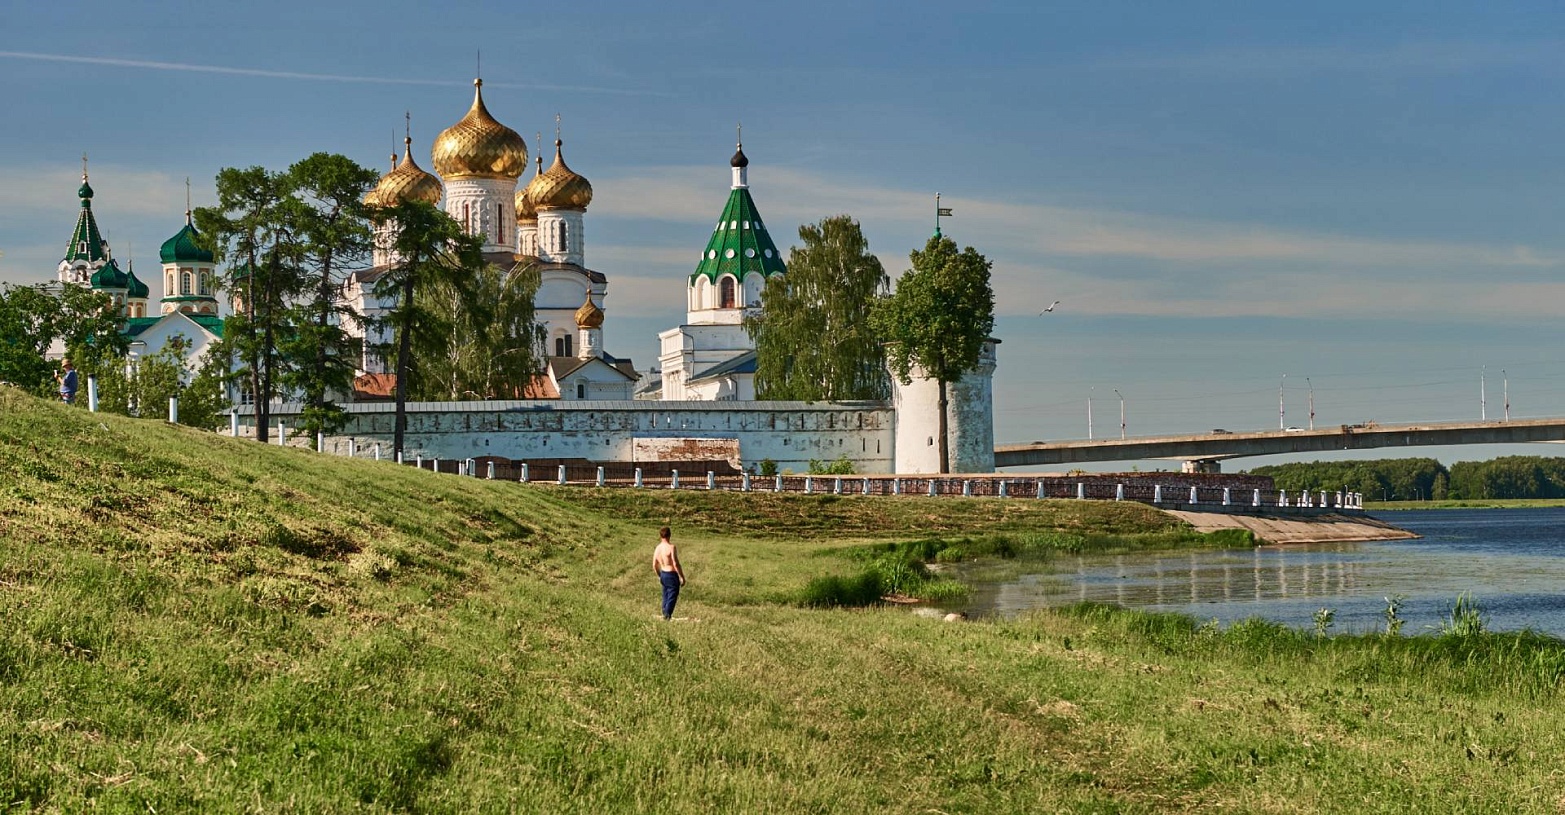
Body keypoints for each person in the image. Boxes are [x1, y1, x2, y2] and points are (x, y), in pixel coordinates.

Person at [651, 526, 685, 620]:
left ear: (660, 535)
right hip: (671, 574)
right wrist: (681, 576)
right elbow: (675, 563)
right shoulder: (671, 547)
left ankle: (664, 612)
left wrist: (659, 575)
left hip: (663, 573)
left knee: (665, 594)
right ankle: (667, 615)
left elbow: (654, 564)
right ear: (670, 535)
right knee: (672, 594)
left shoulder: (658, 548)